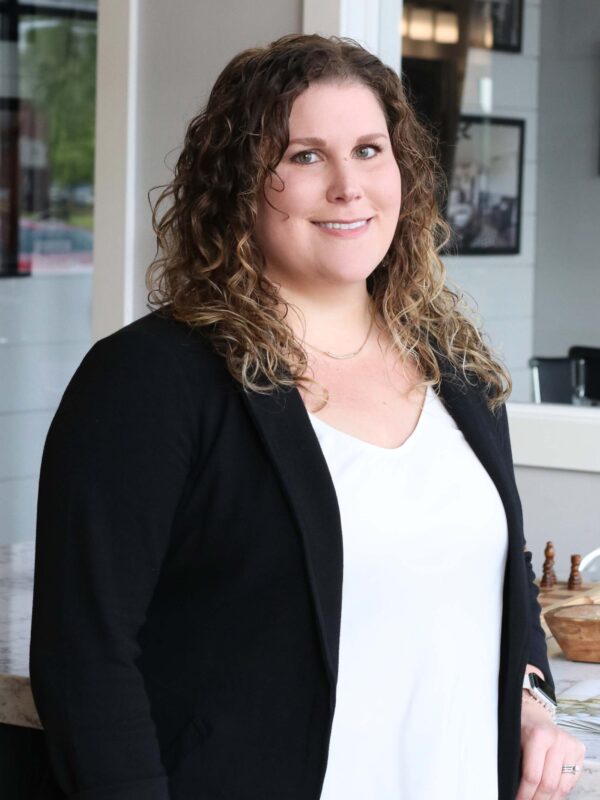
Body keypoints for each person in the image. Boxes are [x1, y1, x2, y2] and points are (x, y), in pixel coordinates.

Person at [30, 33, 585, 800]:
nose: (348, 186)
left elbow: (503, 571)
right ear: (237, 185)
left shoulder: (455, 372)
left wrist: (528, 705)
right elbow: (84, 656)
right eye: (304, 156)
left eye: (368, 149)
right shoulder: (150, 380)